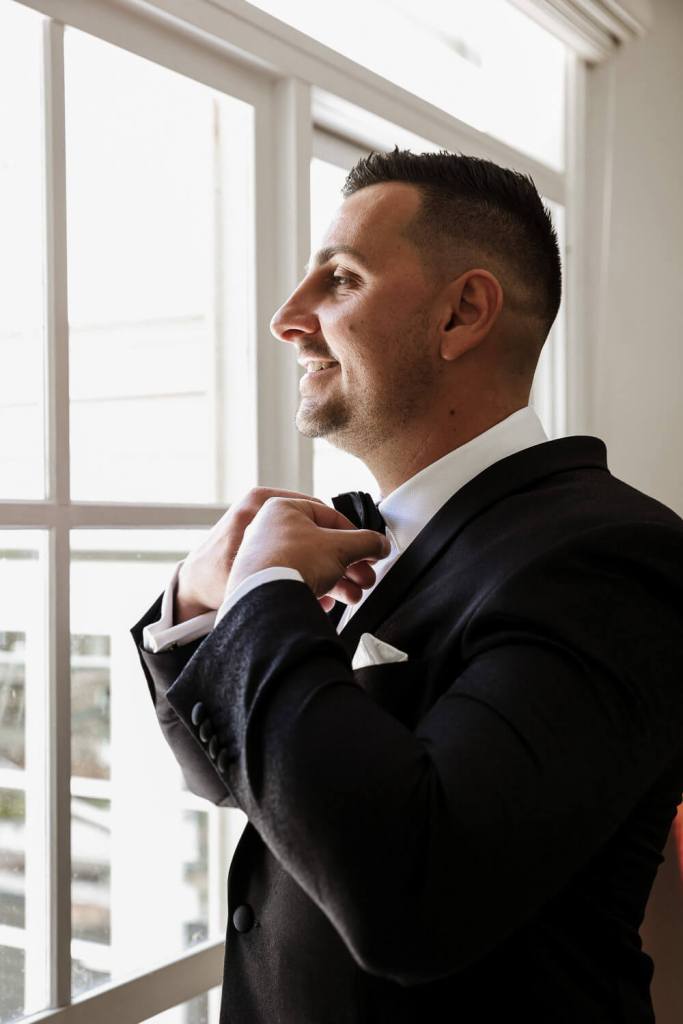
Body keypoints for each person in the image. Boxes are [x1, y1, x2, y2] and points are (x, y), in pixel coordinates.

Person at [131, 148, 683, 1023]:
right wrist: (203, 611)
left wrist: (265, 596)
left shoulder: (616, 558)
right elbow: (234, 778)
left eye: (339, 279)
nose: (287, 318)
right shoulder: (359, 529)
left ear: (462, 312)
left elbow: (415, 904)